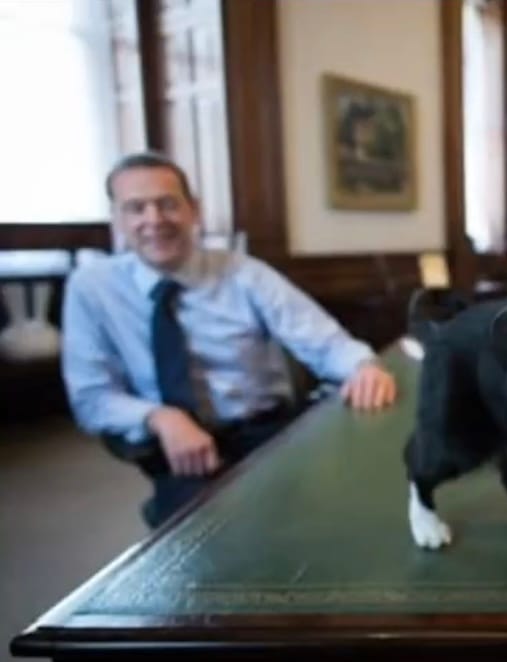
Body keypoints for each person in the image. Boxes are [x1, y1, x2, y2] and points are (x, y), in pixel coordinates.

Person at [61, 151, 398, 527]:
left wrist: (363, 366)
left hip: (267, 436)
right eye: (136, 208)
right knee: (198, 553)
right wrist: (160, 417)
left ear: (194, 210)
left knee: (341, 518)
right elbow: (91, 397)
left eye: (167, 204)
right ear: (118, 219)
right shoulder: (91, 288)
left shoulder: (244, 272)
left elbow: (323, 341)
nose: (153, 220)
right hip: (179, 450)